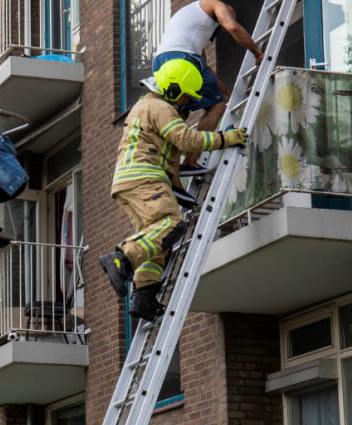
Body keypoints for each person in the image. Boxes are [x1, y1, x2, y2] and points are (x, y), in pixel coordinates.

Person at [99, 58, 248, 321]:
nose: (186, 104)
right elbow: (187, 140)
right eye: (184, 97)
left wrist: (180, 192)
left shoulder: (147, 106)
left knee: (157, 242)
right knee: (171, 224)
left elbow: (169, 156)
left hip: (132, 180)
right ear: (171, 89)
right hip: (145, 178)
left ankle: (144, 296)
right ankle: (122, 258)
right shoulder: (159, 107)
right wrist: (227, 138)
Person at [153, 0, 262, 202]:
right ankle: (191, 161)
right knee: (217, 107)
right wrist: (257, 52)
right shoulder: (216, 4)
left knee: (177, 117)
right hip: (183, 60)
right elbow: (232, 27)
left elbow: (204, 69)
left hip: (161, 62)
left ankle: (173, 174)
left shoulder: (190, 21)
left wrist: (226, 91)